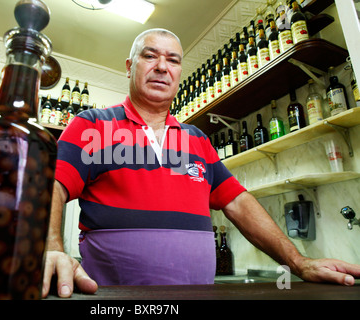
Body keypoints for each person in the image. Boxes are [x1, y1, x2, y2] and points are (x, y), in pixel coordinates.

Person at [42, 28, 360, 298]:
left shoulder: (197, 140)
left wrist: (299, 262)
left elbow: (238, 202)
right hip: (113, 300)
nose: (161, 67)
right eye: (149, 56)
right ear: (129, 66)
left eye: (173, 60)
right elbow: (50, 184)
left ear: (180, 73)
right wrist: (51, 246)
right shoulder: (92, 125)